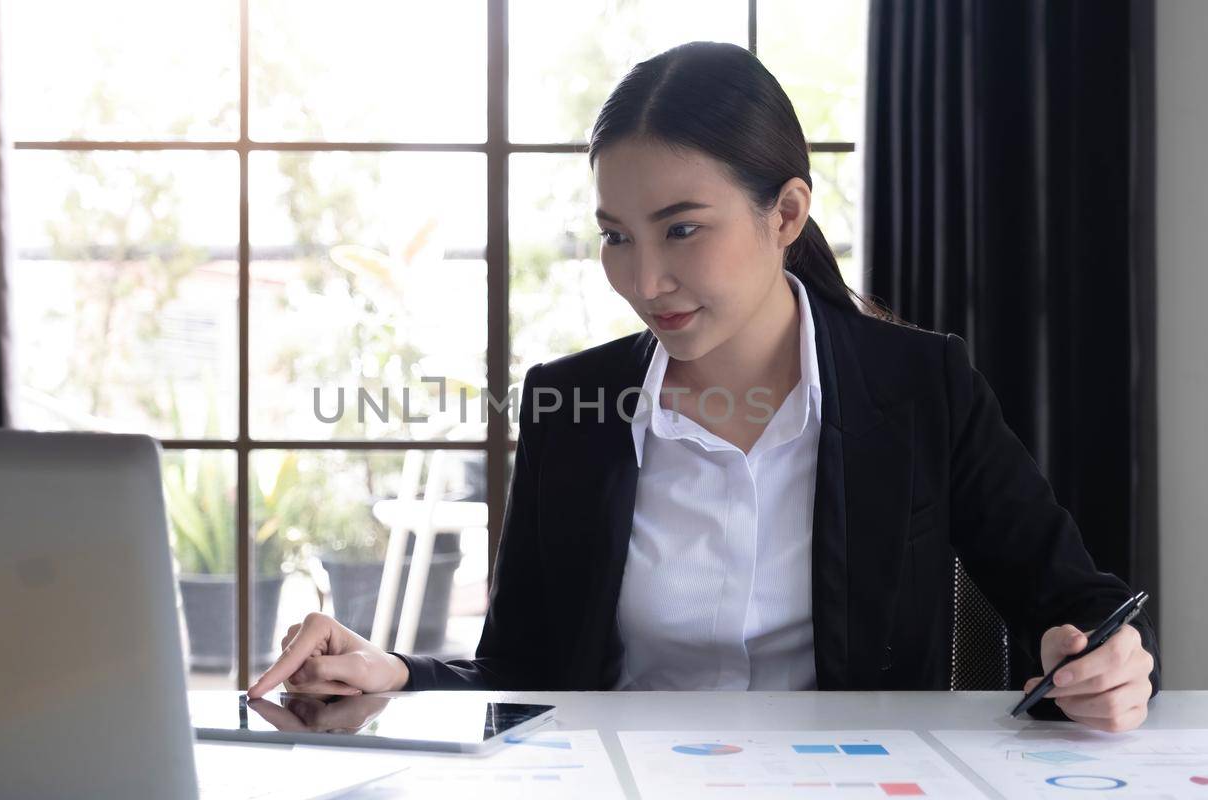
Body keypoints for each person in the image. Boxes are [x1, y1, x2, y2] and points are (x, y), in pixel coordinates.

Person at [248, 41, 1159, 733]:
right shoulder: (574, 409)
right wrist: (395, 673)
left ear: (786, 214)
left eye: (681, 230)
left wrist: (1099, 664)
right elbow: (523, 674)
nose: (644, 280)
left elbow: (1073, 603)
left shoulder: (922, 388)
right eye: (615, 236)